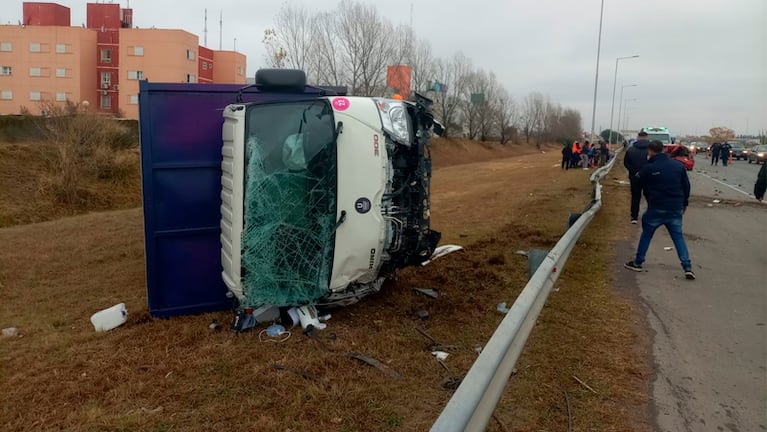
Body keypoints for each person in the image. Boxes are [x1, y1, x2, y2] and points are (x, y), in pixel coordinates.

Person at [624, 140, 695, 280]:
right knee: (678, 237)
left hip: (656, 207)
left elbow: (637, 181)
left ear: (650, 151)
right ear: (663, 150)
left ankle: (638, 262)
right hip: (675, 207)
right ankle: (687, 266)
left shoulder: (649, 167)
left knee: (647, 234)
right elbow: (686, 186)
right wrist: (684, 203)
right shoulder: (678, 166)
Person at [624, 131, 650, 223]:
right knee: (650, 196)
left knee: (635, 197)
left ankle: (634, 217)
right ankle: (651, 215)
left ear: (638, 138)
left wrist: (634, 172)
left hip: (634, 177)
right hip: (648, 177)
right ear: (647, 137)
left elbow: (626, 163)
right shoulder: (651, 150)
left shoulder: (631, 150)